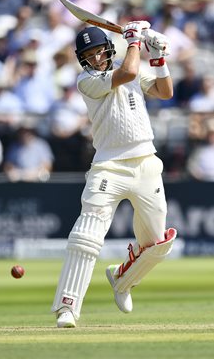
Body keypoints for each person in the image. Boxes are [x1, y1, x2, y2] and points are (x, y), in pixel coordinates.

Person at [51, 23, 177, 328]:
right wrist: (135, 41)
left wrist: (159, 58)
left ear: (108, 48)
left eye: (98, 52)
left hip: (146, 162)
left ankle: (122, 279)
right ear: (82, 60)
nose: (95, 59)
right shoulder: (87, 81)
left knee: (158, 243)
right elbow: (128, 75)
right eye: (89, 55)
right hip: (109, 165)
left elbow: (165, 91)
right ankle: (67, 307)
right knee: (87, 235)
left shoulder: (126, 65)